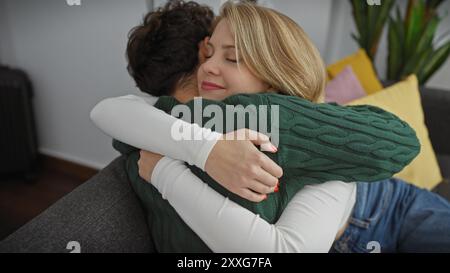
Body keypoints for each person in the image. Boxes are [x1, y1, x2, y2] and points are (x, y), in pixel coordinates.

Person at [91, 0, 450, 252]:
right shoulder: (164, 119)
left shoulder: (274, 117)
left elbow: (399, 142)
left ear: (272, 74)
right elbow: (112, 111)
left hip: (384, 202)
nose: (208, 69)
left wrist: (173, 168)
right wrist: (200, 151)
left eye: (230, 56)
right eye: (210, 54)